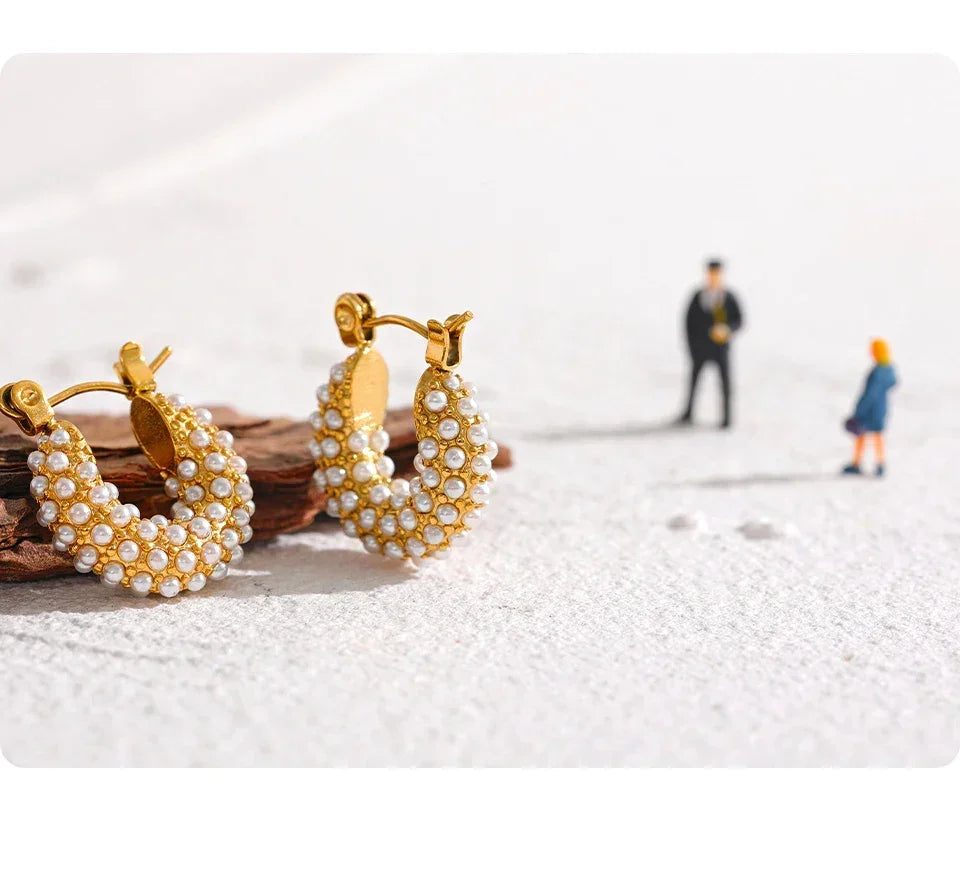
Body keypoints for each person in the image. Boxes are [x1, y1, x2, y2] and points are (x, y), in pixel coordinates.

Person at [677, 258, 744, 428]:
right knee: (694, 381)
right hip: (700, 349)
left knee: (725, 384)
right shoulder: (698, 296)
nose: (714, 277)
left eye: (717, 274)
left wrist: (728, 330)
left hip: (721, 349)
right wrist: (692, 347)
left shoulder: (728, 297)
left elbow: (739, 320)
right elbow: (688, 324)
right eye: (711, 274)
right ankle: (688, 412)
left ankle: (726, 418)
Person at [842, 338, 898, 477]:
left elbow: (870, 394)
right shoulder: (889, 368)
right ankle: (879, 463)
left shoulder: (878, 371)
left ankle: (858, 463)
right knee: (877, 435)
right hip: (882, 407)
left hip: (870, 409)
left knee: (862, 434)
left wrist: (860, 410)